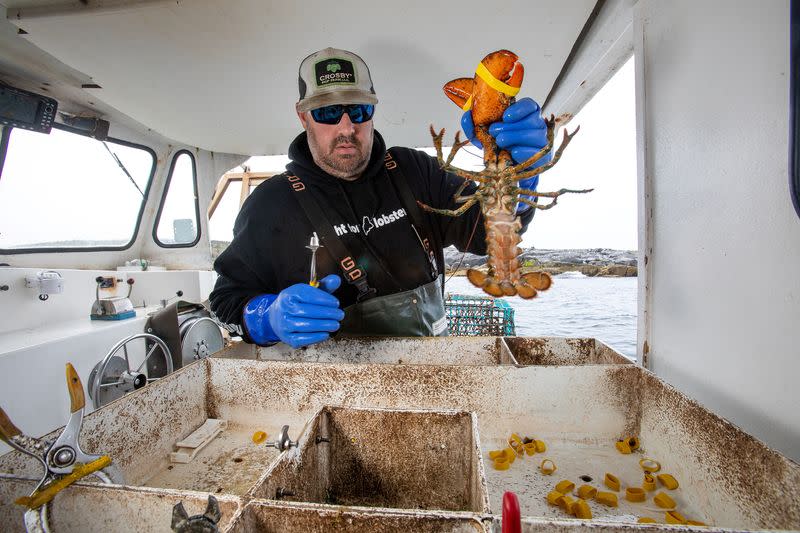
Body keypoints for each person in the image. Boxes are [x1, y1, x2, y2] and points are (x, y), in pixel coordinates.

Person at [210, 47, 551, 349]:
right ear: (303, 116)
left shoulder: (413, 170)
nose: (346, 128)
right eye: (328, 112)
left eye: (358, 111)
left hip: (435, 379)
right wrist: (267, 317)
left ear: (372, 111)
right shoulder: (271, 204)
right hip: (332, 397)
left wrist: (521, 178)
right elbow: (226, 303)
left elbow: (485, 234)